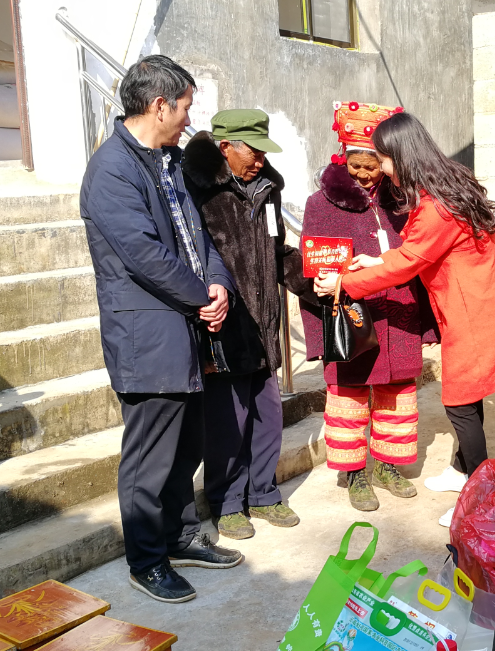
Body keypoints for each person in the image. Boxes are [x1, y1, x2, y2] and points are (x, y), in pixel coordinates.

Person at [80, 55, 243, 603]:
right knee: (149, 458)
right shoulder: (111, 170)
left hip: (185, 328)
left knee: (186, 447)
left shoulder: (168, 161)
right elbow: (144, 255)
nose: (189, 119)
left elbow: (200, 237)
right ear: (159, 106)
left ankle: (178, 538)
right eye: (185, 108)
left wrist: (217, 284)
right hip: (147, 337)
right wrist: (202, 298)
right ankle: (146, 560)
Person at [314, 112, 495, 528]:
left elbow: (408, 263)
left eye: (383, 159)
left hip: (470, 314)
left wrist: (344, 283)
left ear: (401, 156)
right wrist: (377, 260)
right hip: (477, 304)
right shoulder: (450, 182)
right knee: (469, 397)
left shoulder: (436, 207)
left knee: (459, 403)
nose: (381, 168)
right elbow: (416, 250)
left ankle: (482, 500)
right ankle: (463, 470)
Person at [183, 110, 318, 538]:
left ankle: (262, 493)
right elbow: (191, 256)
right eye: (253, 153)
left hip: (263, 324)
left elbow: (278, 252)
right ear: (226, 147)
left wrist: (314, 282)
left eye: (263, 153)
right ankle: (226, 502)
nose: (260, 161)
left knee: (268, 418)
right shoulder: (197, 189)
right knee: (228, 424)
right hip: (224, 326)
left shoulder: (266, 189)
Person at [300, 102, 440, 512]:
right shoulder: (320, 204)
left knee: (397, 390)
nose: (363, 174)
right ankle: (355, 471)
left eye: (372, 165)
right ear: (342, 158)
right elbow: (314, 264)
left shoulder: (404, 200)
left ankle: (387, 465)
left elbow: (419, 258)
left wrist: (427, 320)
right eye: (356, 165)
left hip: (398, 309)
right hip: (351, 313)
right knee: (350, 390)